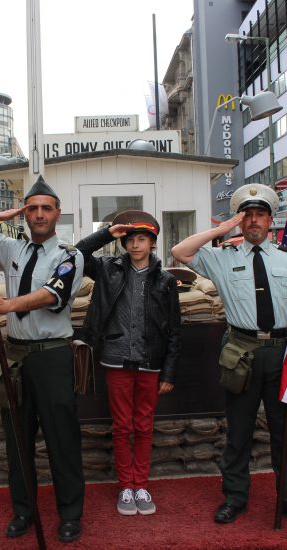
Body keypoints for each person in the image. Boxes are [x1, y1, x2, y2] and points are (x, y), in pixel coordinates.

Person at [171, 183, 287, 528]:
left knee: (284, 434)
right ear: (241, 221)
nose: (254, 221)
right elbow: (179, 251)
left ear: (271, 220)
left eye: (260, 214)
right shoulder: (222, 258)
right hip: (241, 352)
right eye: (247, 215)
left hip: (281, 354)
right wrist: (222, 229)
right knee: (239, 433)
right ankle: (235, 499)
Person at [0, 177, 85, 543]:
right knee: (17, 441)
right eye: (32, 208)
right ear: (26, 213)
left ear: (57, 214)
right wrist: (0, 215)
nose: (39, 215)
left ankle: (70, 514)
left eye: (46, 208)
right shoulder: (12, 249)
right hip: (16, 359)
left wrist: (9, 304)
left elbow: (52, 293)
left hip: (53, 357)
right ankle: (23, 511)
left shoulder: (70, 255)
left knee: (62, 441)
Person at [76, 210, 181, 517]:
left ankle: (141, 484)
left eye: (142, 239)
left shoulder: (165, 280)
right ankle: (126, 486)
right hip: (116, 359)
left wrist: (169, 371)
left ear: (152, 243)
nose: (136, 245)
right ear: (123, 243)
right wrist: (108, 232)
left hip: (150, 362)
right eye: (131, 239)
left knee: (144, 425)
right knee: (122, 426)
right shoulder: (107, 269)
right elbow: (79, 253)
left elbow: (174, 329)